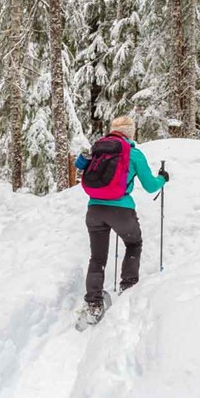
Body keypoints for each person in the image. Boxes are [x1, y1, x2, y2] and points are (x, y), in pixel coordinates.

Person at [74, 116, 168, 322]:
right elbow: (151, 185)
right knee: (134, 244)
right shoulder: (133, 154)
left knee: (97, 258)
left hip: (94, 209)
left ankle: (93, 304)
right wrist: (163, 178)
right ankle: (128, 287)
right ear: (130, 132)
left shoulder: (97, 150)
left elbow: (79, 167)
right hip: (121, 210)